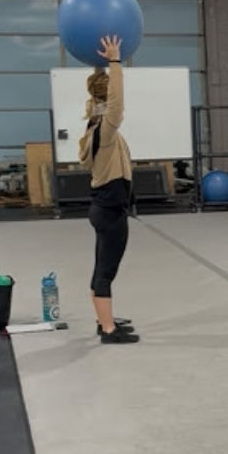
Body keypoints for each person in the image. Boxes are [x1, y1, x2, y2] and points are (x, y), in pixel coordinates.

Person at [78, 35, 139, 344]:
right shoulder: (106, 130)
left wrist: (100, 68)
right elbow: (116, 104)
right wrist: (114, 62)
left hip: (103, 209)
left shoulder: (92, 128)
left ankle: (104, 321)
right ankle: (108, 331)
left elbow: (106, 103)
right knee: (106, 272)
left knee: (101, 268)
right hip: (110, 212)